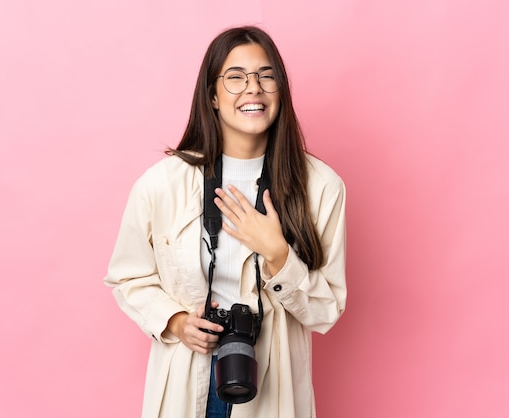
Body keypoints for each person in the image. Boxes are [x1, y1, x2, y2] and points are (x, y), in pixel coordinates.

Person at [104, 26, 347, 418]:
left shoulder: (321, 187)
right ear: (213, 96)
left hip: (273, 385)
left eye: (266, 76)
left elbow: (327, 310)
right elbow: (127, 277)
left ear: (280, 91)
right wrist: (176, 322)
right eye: (235, 77)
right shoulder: (162, 184)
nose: (253, 88)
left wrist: (278, 255)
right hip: (189, 375)